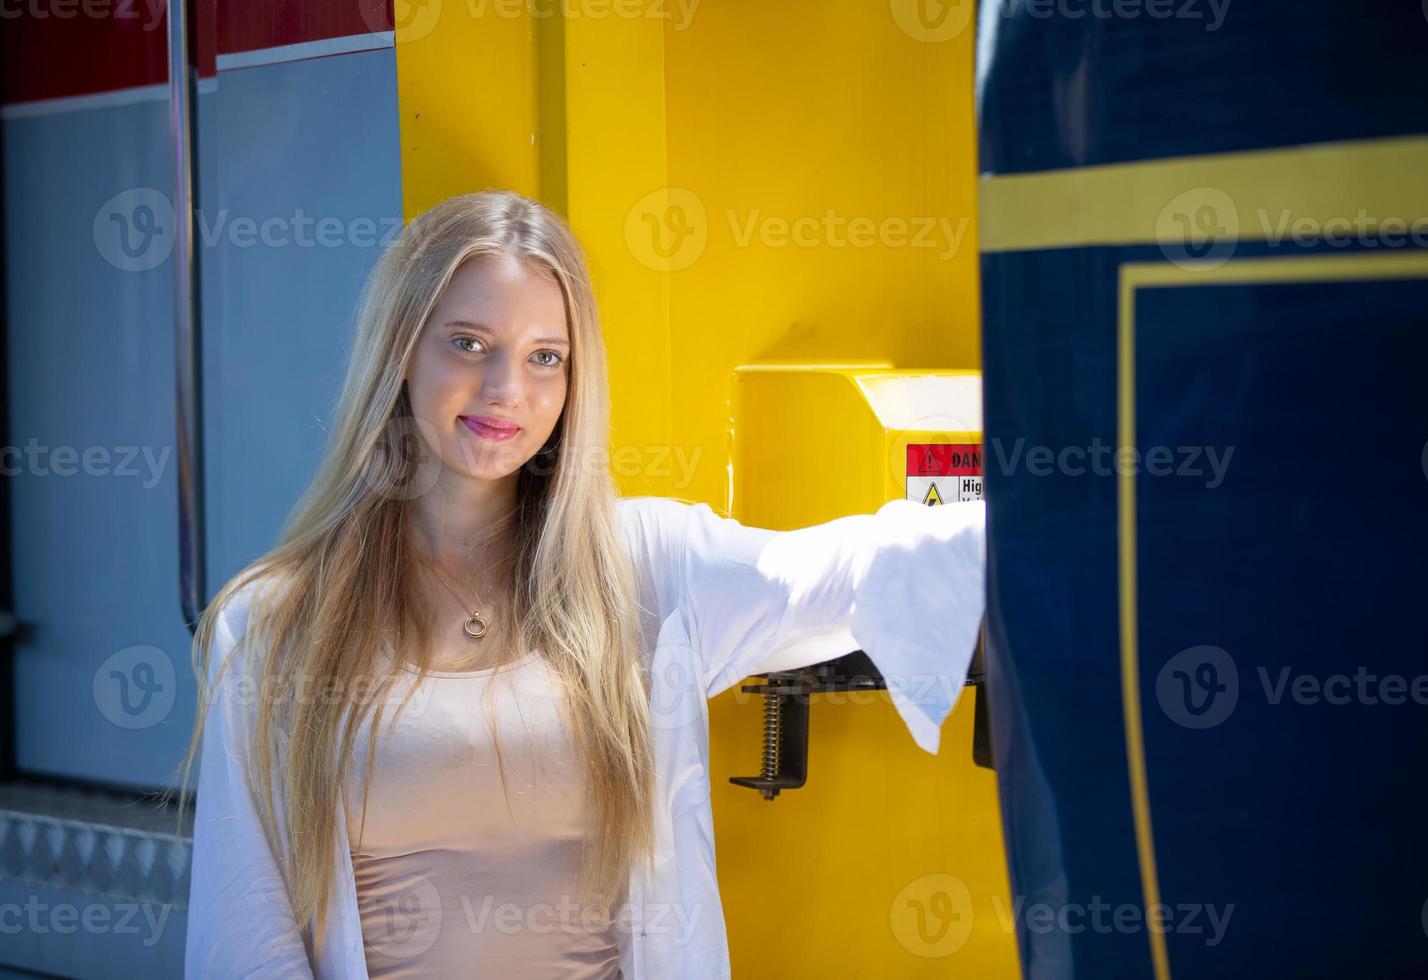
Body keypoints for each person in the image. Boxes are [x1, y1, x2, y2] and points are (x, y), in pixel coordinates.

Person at [177, 189, 985, 979]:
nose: (507, 392)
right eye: (467, 343)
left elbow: (847, 567)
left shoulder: (643, 567)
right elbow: (245, 933)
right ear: (400, 349)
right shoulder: (276, 620)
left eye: (545, 359)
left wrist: (1062, 512)